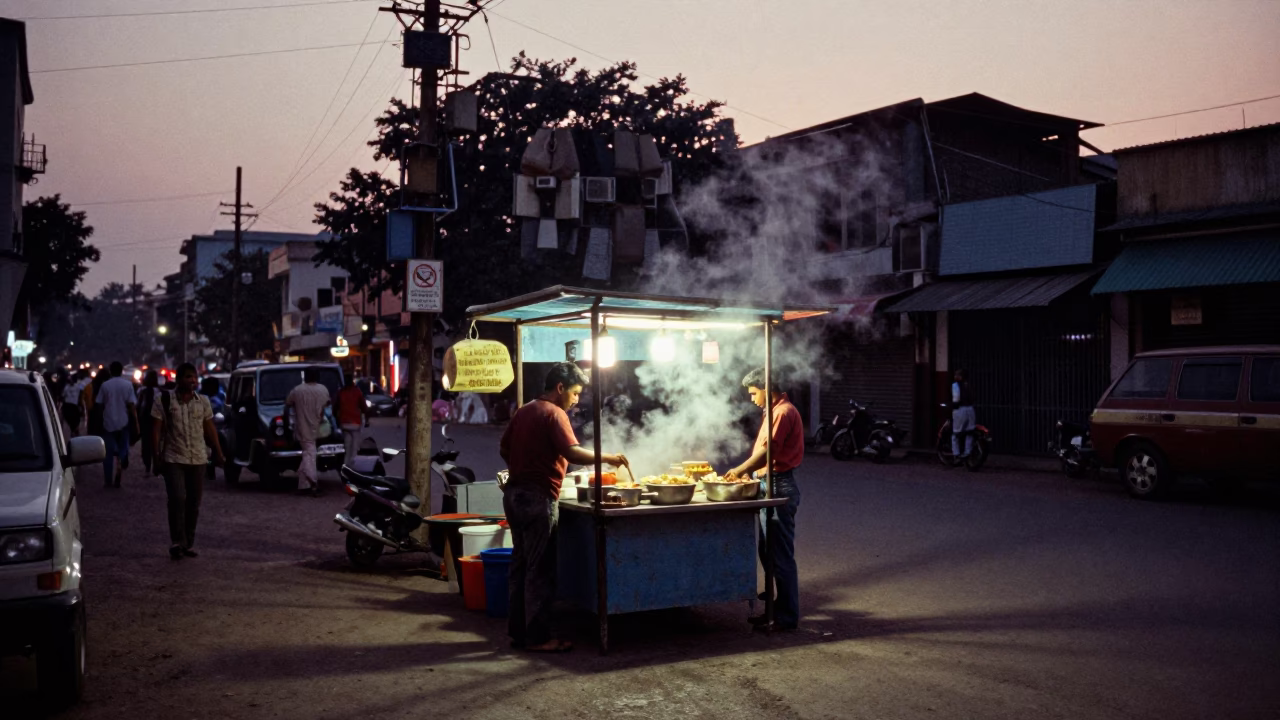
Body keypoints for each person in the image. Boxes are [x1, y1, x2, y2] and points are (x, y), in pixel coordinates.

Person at [499, 362, 629, 653]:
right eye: (575, 393)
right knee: (539, 568)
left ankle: (518, 632)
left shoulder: (525, 410)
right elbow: (570, 451)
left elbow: (504, 448)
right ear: (560, 388)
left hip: (514, 495)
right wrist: (607, 458)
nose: (576, 400)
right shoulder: (553, 413)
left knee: (520, 564)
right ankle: (538, 638)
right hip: (537, 498)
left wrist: (526, 465)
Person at [725, 367, 805, 632]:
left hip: (778, 486)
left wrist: (740, 469)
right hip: (767, 483)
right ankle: (774, 610)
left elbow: (769, 451)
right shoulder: (773, 411)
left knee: (780, 555)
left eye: (753, 392)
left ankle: (786, 616)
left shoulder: (782, 412)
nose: (751, 398)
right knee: (767, 552)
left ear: (766, 389)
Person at [152, 363, 226, 560]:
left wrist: (218, 453)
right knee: (177, 499)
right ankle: (177, 541)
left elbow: (210, 429)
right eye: (188, 377)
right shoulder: (164, 401)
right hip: (173, 457)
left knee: (193, 503)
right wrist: (155, 457)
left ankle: (188, 543)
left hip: (198, 458)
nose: (192, 380)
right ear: (179, 379)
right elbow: (156, 431)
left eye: (194, 377)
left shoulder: (203, 402)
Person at [285, 367, 331, 495]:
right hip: (317, 427)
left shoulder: (297, 390)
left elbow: (287, 404)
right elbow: (325, 407)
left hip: (302, 428)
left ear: (305, 376)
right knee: (310, 456)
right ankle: (311, 484)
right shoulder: (323, 389)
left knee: (308, 455)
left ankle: (306, 484)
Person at [97, 361, 140, 488]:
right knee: (123, 447)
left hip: (108, 422)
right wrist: (136, 423)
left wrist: (98, 421)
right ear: (122, 371)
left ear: (110, 370)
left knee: (108, 453)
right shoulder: (128, 385)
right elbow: (132, 405)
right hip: (124, 421)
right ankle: (121, 461)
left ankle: (108, 480)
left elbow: (99, 403)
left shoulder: (105, 385)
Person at [335, 376, 368, 462]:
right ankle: (353, 465)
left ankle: (346, 464)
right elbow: (364, 407)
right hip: (355, 423)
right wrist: (367, 418)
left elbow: (335, 408)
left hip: (344, 423)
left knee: (347, 445)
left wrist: (337, 420)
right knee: (355, 447)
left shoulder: (341, 392)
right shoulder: (357, 392)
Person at [950, 368, 977, 465]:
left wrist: (953, 405)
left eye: (956, 375)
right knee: (970, 432)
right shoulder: (969, 385)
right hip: (971, 410)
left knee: (956, 434)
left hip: (960, 410)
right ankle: (967, 452)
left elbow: (956, 399)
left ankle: (956, 455)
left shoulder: (955, 385)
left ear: (960, 376)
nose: (955, 377)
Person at [61, 370, 87, 437]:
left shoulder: (68, 387)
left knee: (72, 421)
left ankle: (74, 431)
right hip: (72, 406)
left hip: (69, 406)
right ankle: (74, 431)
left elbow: (63, 396)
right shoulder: (79, 386)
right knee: (74, 421)